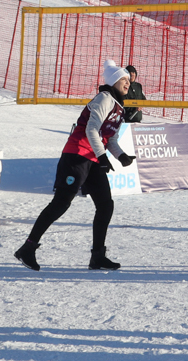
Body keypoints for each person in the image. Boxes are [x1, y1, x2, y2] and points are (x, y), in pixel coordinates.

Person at [14, 59, 136, 272]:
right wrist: (104, 157)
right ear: (113, 81)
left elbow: (111, 139)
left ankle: (98, 256)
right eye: (123, 79)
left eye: (129, 79)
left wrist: (121, 156)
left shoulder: (119, 106)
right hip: (77, 156)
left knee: (106, 205)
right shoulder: (104, 98)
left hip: (93, 158)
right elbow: (91, 130)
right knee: (61, 203)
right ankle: (28, 248)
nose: (128, 82)